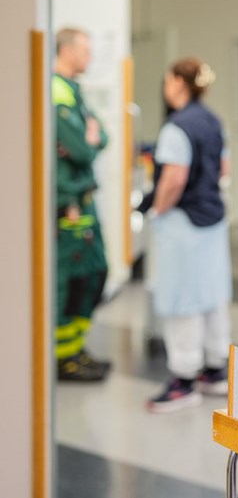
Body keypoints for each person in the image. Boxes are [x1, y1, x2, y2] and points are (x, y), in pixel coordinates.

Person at [144, 57, 232, 413]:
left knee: (182, 299)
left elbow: (174, 178)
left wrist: (157, 210)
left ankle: (183, 379)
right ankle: (215, 369)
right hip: (211, 219)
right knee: (211, 294)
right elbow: (223, 168)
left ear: (179, 82)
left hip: (183, 223)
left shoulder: (176, 127)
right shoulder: (212, 120)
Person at [53, 27, 111, 381]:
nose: (90, 58)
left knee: (94, 273)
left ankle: (75, 348)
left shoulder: (73, 90)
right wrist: (88, 140)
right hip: (68, 201)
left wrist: (91, 137)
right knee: (71, 280)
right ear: (68, 50)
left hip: (84, 197)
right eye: (85, 51)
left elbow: (101, 135)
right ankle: (62, 357)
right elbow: (80, 147)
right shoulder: (56, 89)